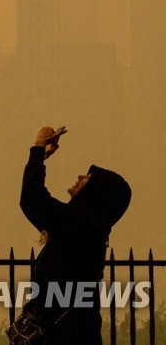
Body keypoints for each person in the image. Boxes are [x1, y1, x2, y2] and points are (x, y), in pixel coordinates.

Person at [16, 126, 132, 344]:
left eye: (88, 179)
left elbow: (32, 199)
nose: (80, 177)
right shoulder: (86, 229)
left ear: (97, 195)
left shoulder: (80, 226)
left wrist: (38, 148)